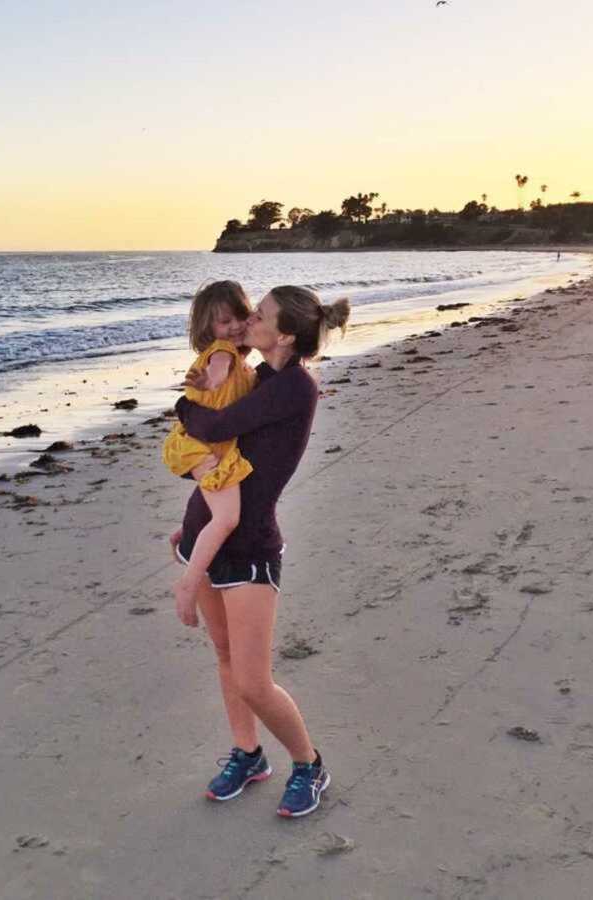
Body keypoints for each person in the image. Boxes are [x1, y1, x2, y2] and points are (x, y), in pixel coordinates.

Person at [170, 285, 350, 817]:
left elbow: (212, 425)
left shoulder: (295, 387)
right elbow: (223, 451)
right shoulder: (261, 378)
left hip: (248, 548)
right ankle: (248, 754)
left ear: (285, 335)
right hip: (204, 534)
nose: (249, 318)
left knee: (253, 679)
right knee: (226, 660)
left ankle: (308, 763)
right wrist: (190, 527)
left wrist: (182, 402)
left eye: (261, 314)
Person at [162, 281, 256, 627]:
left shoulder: (244, 362)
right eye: (223, 321)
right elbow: (217, 372)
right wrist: (211, 382)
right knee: (227, 518)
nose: (233, 327)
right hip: (203, 447)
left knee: (220, 509)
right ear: (208, 328)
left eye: (240, 318)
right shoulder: (222, 352)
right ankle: (187, 585)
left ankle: (185, 534)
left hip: (207, 444)